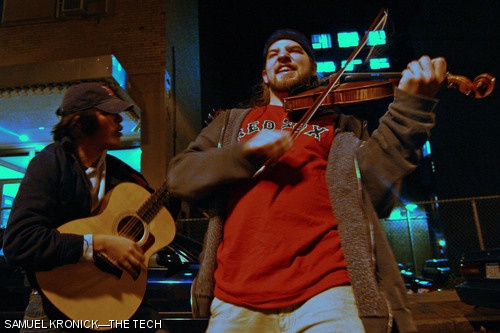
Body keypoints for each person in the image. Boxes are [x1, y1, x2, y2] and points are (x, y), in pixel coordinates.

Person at [167, 29, 447, 333]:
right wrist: (245, 152)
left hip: (330, 292)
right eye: (274, 54)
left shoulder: (343, 127)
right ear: (264, 75)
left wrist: (412, 107)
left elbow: (378, 192)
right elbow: (180, 177)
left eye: (295, 50)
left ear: (314, 69)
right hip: (235, 299)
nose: (284, 55)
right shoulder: (232, 122)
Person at [2, 82, 173, 333]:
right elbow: (19, 243)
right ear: (80, 123)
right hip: (55, 305)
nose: (119, 120)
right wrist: (100, 244)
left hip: (116, 297)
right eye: (109, 113)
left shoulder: (122, 173)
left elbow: (158, 215)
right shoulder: (49, 165)